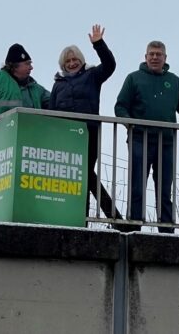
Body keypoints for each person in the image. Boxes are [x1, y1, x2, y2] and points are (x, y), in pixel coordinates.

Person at [115, 41, 179, 233]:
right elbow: (120, 106)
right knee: (137, 186)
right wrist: (128, 121)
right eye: (151, 54)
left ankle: (166, 230)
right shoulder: (134, 78)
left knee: (165, 188)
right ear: (145, 57)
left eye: (159, 54)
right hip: (140, 138)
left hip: (166, 141)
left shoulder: (175, 81)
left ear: (165, 58)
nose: (155, 57)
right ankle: (134, 227)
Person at [50, 24, 124, 224]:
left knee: (84, 174)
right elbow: (51, 112)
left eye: (75, 59)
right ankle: (89, 219)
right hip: (65, 138)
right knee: (76, 178)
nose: (72, 63)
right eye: (68, 61)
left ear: (81, 61)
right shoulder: (57, 85)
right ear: (63, 64)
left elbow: (110, 65)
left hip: (88, 134)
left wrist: (98, 44)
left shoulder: (92, 76)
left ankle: (96, 219)